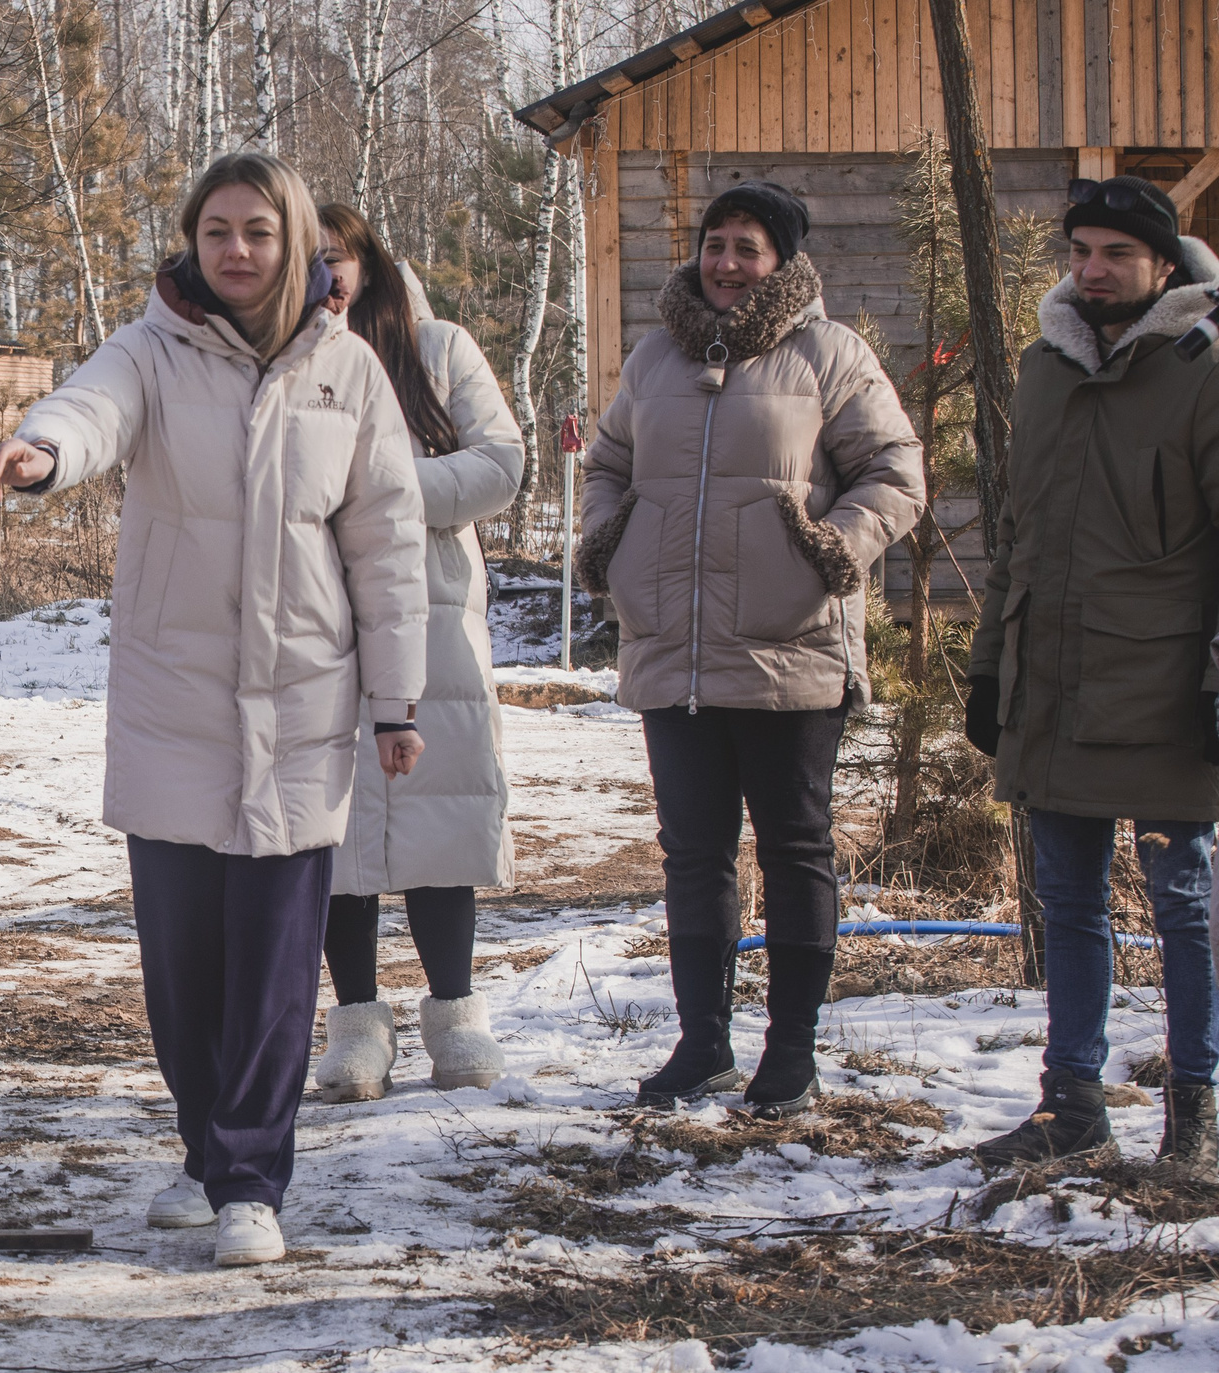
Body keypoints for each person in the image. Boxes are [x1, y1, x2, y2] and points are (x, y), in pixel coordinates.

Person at [0, 153, 430, 1268]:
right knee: (185, 965)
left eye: (258, 232)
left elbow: (384, 543)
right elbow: (91, 408)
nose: (235, 251)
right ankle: (201, 1147)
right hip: (173, 702)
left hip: (306, 701)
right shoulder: (153, 348)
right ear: (193, 240)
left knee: (277, 965)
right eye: (216, 230)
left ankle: (249, 1180)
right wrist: (46, 452)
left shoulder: (347, 371)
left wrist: (396, 698)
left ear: (294, 243)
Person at [576, 181, 924, 1119]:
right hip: (673, 652)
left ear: (784, 262)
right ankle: (703, 1045)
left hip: (790, 650)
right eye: (715, 243)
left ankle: (792, 1053)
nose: (726, 262)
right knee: (692, 854)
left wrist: (829, 549)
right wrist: (612, 544)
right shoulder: (654, 359)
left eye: (749, 247)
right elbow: (608, 465)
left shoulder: (830, 355)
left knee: (795, 848)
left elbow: (897, 473)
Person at [964, 178, 1219, 1181]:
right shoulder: (1043, 368)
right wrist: (991, 670)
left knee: (1182, 902)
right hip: (1052, 689)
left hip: (1162, 693)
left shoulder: (1202, 370)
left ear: (1163, 262)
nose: (1092, 269)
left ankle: (1196, 1116)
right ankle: (1071, 1104)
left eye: (1115, 252)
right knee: (1065, 902)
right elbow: (1019, 539)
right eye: (1079, 251)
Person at [311, 202, 524, 1101]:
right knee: (335, 826)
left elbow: (502, 463)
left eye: (336, 260)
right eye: (307, 263)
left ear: (368, 262)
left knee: (440, 808)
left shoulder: (439, 347)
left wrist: (384, 496)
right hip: (320, 614)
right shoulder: (285, 361)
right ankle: (357, 1019)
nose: (325, 280)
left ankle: (455, 1011)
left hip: (431, 614)